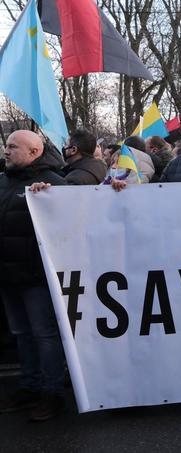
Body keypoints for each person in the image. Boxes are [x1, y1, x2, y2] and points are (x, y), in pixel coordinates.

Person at [0, 131, 67, 421]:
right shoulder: (4, 181)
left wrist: (51, 199)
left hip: (36, 277)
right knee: (21, 334)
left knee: (44, 335)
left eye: (13, 147)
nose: (6, 151)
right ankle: (29, 386)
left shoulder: (54, 184)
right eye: (6, 146)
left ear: (34, 152)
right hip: (8, 275)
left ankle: (52, 392)